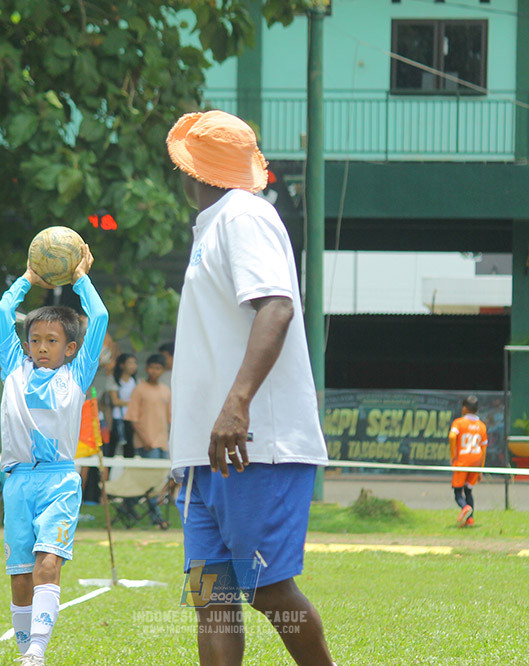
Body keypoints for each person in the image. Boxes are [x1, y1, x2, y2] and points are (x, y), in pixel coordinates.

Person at [166, 110, 334, 666]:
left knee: (267, 591)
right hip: (210, 453)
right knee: (210, 596)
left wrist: (237, 404)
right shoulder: (216, 225)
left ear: (196, 172)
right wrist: (185, 456)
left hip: (256, 444)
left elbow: (277, 307)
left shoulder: (244, 217)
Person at [0, 245, 106, 665]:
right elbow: (2, 312)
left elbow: (100, 319)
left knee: (47, 565)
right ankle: (27, 653)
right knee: (20, 576)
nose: (42, 347)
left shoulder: (77, 374)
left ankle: (37, 651)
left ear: (71, 348)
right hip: (18, 481)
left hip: (59, 481)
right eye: (35, 340)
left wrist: (79, 278)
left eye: (52, 340)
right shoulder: (14, 367)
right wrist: (27, 277)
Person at [124, 353, 172, 529]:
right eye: (151, 367)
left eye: (158, 368)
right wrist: (145, 439)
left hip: (162, 442)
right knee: (150, 482)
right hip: (146, 443)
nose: (154, 371)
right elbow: (133, 418)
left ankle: (128, 502)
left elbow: (170, 419)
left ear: (163, 370)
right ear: (147, 368)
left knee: (158, 482)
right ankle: (157, 518)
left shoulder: (166, 390)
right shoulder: (140, 389)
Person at [449, 395, 488, 528]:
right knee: (469, 491)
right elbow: (484, 447)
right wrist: (481, 469)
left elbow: (452, 435)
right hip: (476, 461)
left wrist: (453, 454)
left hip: (463, 461)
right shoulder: (482, 426)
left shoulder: (459, 423)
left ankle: (465, 507)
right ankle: (470, 520)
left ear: (465, 408)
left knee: (458, 492)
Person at [105, 353, 137, 459]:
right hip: (117, 418)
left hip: (130, 418)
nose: (133, 366)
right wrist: (132, 403)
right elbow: (115, 401)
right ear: (122, 365)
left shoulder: (135, 382)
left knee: (129, 449)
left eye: (134, 363)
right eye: (130, 363)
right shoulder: (114, 380)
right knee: (111, 449)